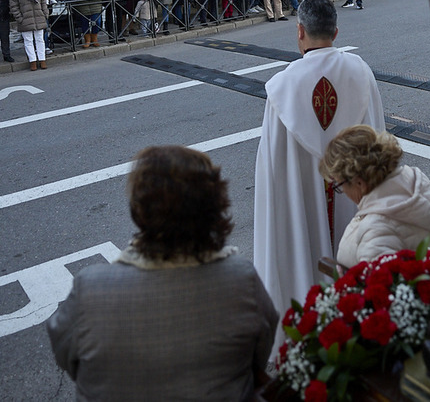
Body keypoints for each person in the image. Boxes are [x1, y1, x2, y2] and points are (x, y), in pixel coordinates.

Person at [47, 146, 278, 401]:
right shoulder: (241, 280)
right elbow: (258, 354)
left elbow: (67, 357)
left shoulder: (89, 290)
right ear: (214, 205)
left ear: (139, 209)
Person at [253, 0, 384, 320]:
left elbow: (273, 165)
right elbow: (377, 135)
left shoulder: (282, 86)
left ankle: (306, 315)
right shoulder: (360, 71)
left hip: (305, 201)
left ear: (299, 32)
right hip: (353, 191)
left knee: (305, 250)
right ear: (336, 33)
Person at [320, 125, 430, 269]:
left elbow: (378, 286)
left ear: (359, 183)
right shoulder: (413, 185)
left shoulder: (377, 231)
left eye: (339, 185)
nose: (342, 191)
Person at [9, 0, 49, 70]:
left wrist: (45, 13)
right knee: (28, 40)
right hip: (25, 19)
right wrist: (20, 18)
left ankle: (42, 59)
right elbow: (14, 7)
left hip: (38, 17)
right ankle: (32, 61)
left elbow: (43, 1)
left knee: (40, 39)